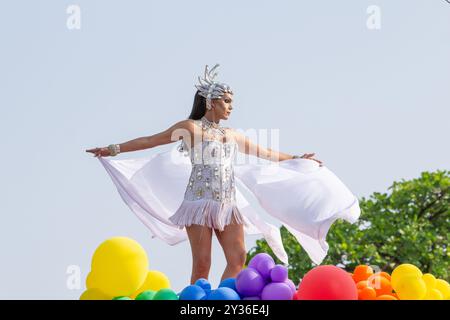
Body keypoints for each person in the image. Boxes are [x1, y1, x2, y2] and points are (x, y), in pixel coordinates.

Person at [86, 64, 360, 285]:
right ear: (211, 102)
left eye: (232, 102)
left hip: (229, 204)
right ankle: (195, 304)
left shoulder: (231, 135)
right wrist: (114, 149)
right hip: (198, 203)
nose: (231, 106)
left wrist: (297, 158)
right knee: (202, 263)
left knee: (237, 258)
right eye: (227, 101)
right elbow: (150, 140)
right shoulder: (190, 128)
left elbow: (265, 152)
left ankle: (221, 301)